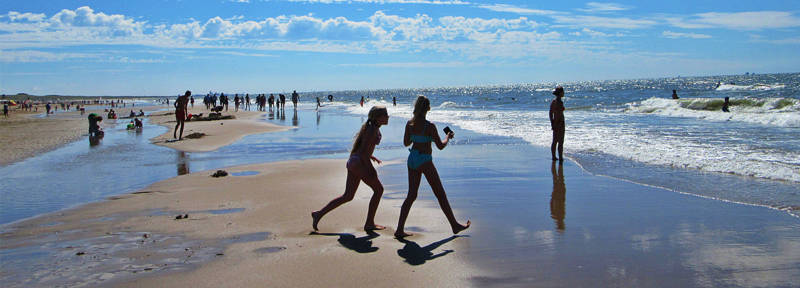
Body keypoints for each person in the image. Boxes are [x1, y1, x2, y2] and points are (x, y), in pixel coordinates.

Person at [395, 95, 470, 238]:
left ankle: (399, 229)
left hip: (412, 159)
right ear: (428, 108)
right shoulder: (430, 126)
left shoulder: (409, 124)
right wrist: (448, 136)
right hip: (425, 160)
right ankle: (454, 225)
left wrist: (415, 137)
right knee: (440, 194)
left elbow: (406, 143)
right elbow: (440, 146)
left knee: (411, 195)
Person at [312, 106, 390, 231]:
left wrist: (372, 157)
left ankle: (318, 214)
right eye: (385, 115)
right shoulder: (372, 130)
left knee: (348, 196)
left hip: (354, 161)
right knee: (379, 190)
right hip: (359, 163)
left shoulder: (371, 128)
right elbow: (364, 153)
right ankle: (369, 223)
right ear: (377, 117)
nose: (388, 117)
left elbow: (364, 149)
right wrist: (371, 170)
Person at [549, 86, 565, 162]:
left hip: (556, 123)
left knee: (555, 141)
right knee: (560, 142)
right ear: (560, 93)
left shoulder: (555, 101)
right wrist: (552, 123)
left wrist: (552, 123)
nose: (564, 93)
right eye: (563, 92)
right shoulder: (557, 102)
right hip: (559, 123)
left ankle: (554, 156)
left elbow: (551, 113)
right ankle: (560, 157)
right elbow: (551, 113)